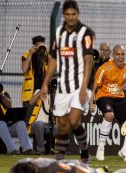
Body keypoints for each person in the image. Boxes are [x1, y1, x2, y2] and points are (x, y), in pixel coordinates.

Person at [40, 0, 95, 164]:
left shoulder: (86, 33)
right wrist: (45, 83)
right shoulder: (59, 33)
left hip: (80, 85)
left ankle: (84, 153)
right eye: (67, 14)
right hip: (63, 86)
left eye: (73, 14)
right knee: (63, 124)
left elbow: (88, 62)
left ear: (78, 14)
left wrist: (84, 88)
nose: (71, 17)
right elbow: (53, 60)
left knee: (74, 121)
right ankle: (59, 161)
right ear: (63, 15)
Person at [89, 45, 126, 162]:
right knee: (109, 115)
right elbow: (94, 86)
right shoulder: (104, 68)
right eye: (117, 54)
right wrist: (91, 102)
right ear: (113, 55)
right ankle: (101, 148)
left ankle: (124, 150)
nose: (120, 57)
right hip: (103, 96)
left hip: (119, 97)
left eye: (122, 54)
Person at [21, 35, 48, 123]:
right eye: (39, 45)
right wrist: (30, 54)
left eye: (43, 44)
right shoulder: (27, 54)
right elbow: (24, 69)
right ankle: (25, 134)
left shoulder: (47, 54)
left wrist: (48, 52)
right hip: (30, 91)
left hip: (44, 90)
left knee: (43, 114)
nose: (41, 47)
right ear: (34, 46)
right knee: (27, 116)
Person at [27, 89, 56, 154]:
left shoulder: (55, 93)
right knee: (40, 124)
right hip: (36, 123)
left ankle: (58, 149)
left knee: (61, 127)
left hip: (50, 124)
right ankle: (41, 150)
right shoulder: (38, 91)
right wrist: (43, 90)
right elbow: (31, 102)